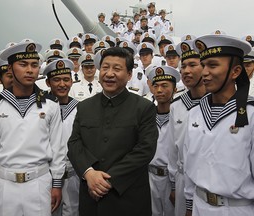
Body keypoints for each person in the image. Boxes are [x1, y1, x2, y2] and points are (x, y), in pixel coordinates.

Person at [67, 47, 158, 216]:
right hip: (91, 197)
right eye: (105, 67)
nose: (109, 74)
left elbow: (145, 149)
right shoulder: (85, 107)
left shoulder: (144, 108)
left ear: (130, 74)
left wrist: (107, 181)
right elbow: (74, 144)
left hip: (128, 199)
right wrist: (89, 173)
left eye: (117, 69)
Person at [0, 41, 66, 216]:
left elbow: (58, 148)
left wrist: (57, 183)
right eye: (23, 64)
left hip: (40, 182)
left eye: (34, 65)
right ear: (10, 69)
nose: (30, 70)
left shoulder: (51, 105)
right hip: (5, 185)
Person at [184, 34, 254, 216]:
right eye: (203, 65)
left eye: (212, 65)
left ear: (235, 72)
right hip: (200, 205)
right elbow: (189, 164)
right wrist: (190, 205)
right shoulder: (195, 113)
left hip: (238, 209)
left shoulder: (251, 113)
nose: (204, 72)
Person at [167, 40, 206, 216]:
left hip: (207, 179)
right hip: (182, 179)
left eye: (192, 65)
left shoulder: (218, 103)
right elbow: (172, 150)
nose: (186, 71)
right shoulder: (176, 105)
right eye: (183, 66)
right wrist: (174, 185)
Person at [43, 59, 80, 216]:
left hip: (73, 176)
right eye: (56, 80)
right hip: (46, 178)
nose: (62, 84)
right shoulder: (40, 108)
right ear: (48, 83)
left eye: (66, 79)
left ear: (72, 81)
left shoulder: (81, 109)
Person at [148, 66, 179, 216]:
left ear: (175, 89)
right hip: (149, 176)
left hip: (171, 178)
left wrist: (175, 186)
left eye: (165, 86)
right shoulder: (146, 117)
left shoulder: (180, 116)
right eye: (156, 86)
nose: (159, 90)